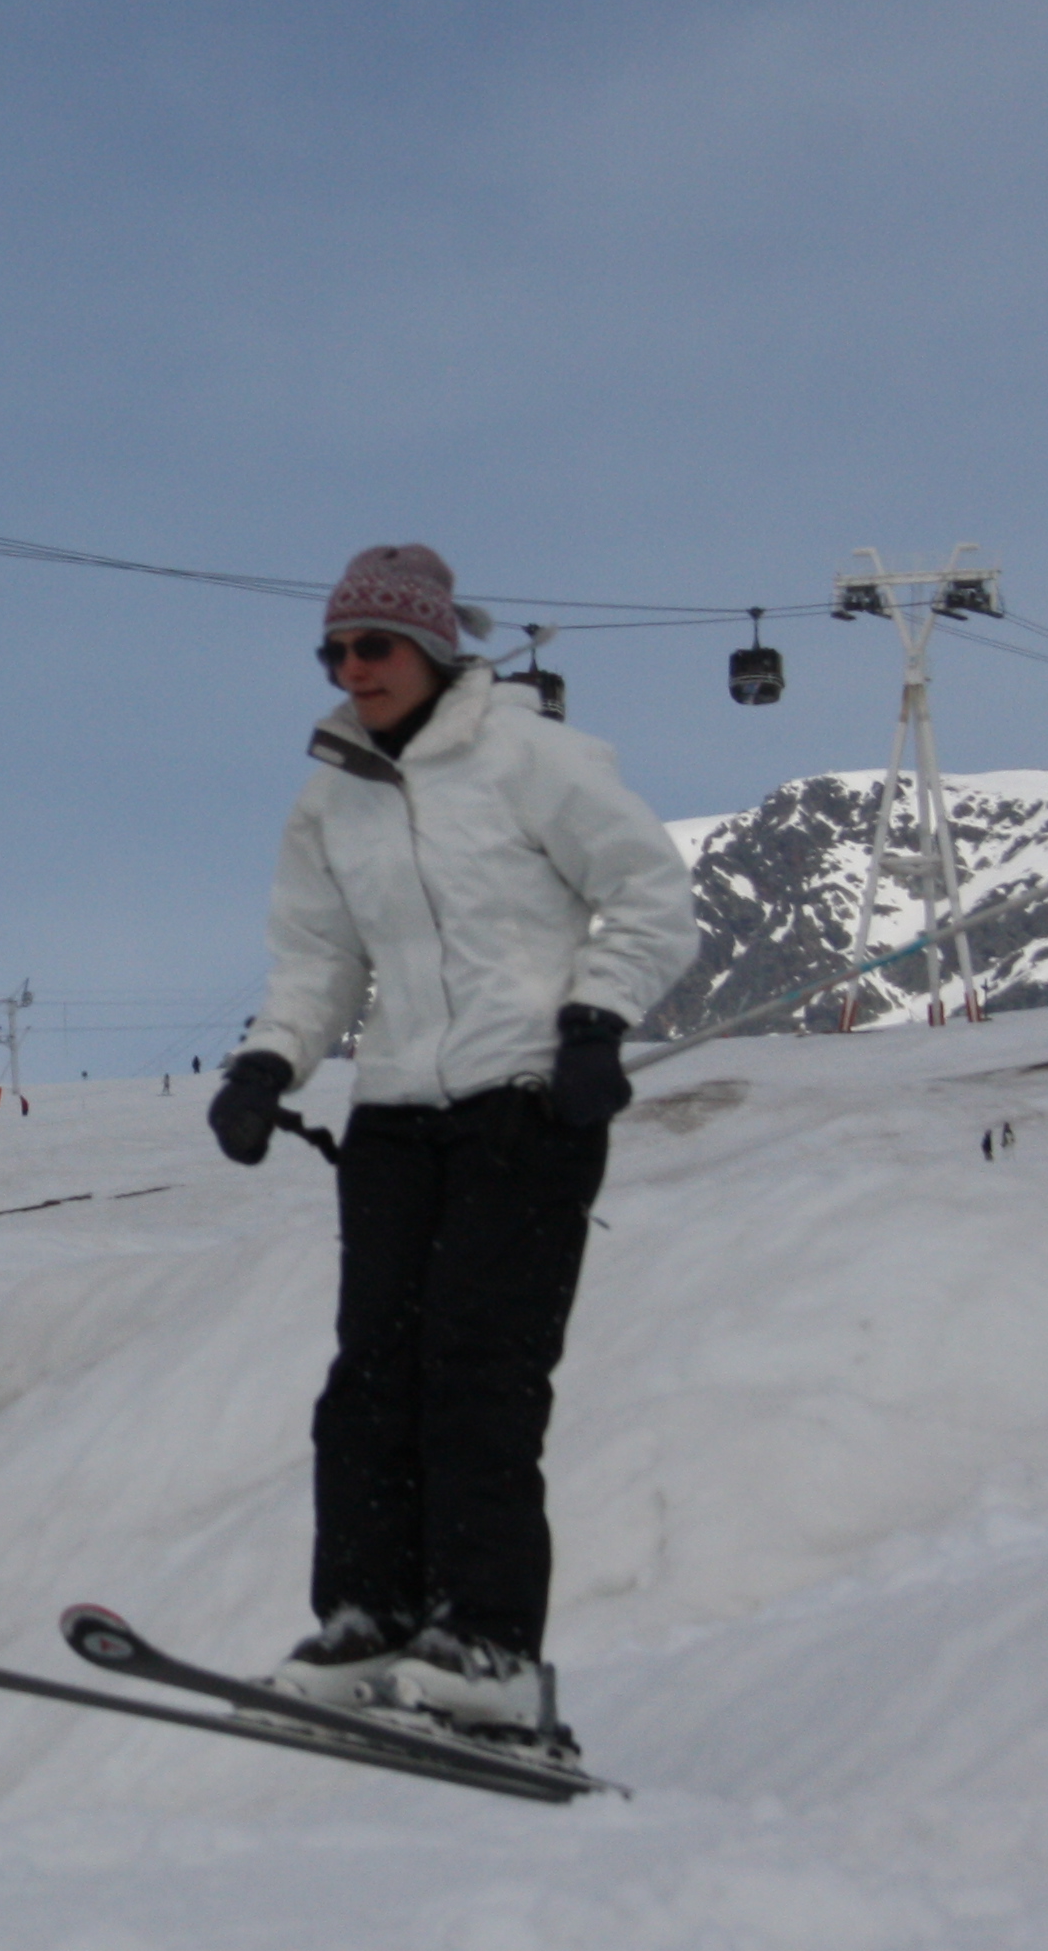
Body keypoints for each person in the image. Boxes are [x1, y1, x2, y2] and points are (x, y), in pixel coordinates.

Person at [207, 545, 698, 1749]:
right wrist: (268, 1064)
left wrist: (594, 1022)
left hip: (524, 1102)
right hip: (394, 1115)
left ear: (431, 648)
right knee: (369, 1383)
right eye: (333, 651)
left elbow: (649, 894)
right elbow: (320, 960)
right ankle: (368, 1624)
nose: (350, 669)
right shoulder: (332, 796)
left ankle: (489, 1648)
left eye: (372, 646)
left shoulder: (530, 757)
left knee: (481, 1374)